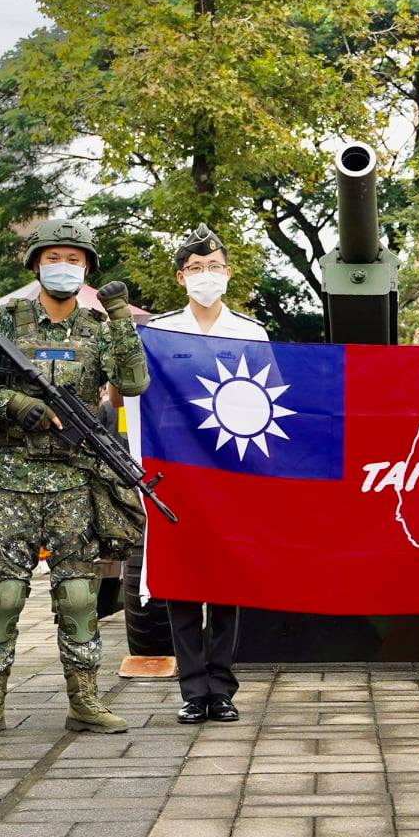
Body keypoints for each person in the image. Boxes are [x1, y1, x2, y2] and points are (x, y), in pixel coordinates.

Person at [0, 218, 148, 736]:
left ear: (86, 267)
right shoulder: (5, 320)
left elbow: (134, 381)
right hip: (11, 476)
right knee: (5, 595)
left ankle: (85, 700)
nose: (63, 266)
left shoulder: (99, 329)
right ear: (37, 263)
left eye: (74, 258)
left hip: (74, 479)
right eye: (54, 257)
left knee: (80, 596)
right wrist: (14, 402)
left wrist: (122, 316)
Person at [144, 226, 266, 726]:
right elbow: (136, 398)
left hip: (233, 472)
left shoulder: (252, 334)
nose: (205, 276)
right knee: (182, 584)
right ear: (180, 277)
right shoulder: (156, 333)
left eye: (214, 266)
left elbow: (270, 403)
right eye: (195, 269)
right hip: (176, 473)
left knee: (228, 583)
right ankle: (194, 691)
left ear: (229, 273)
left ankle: (223, 687)